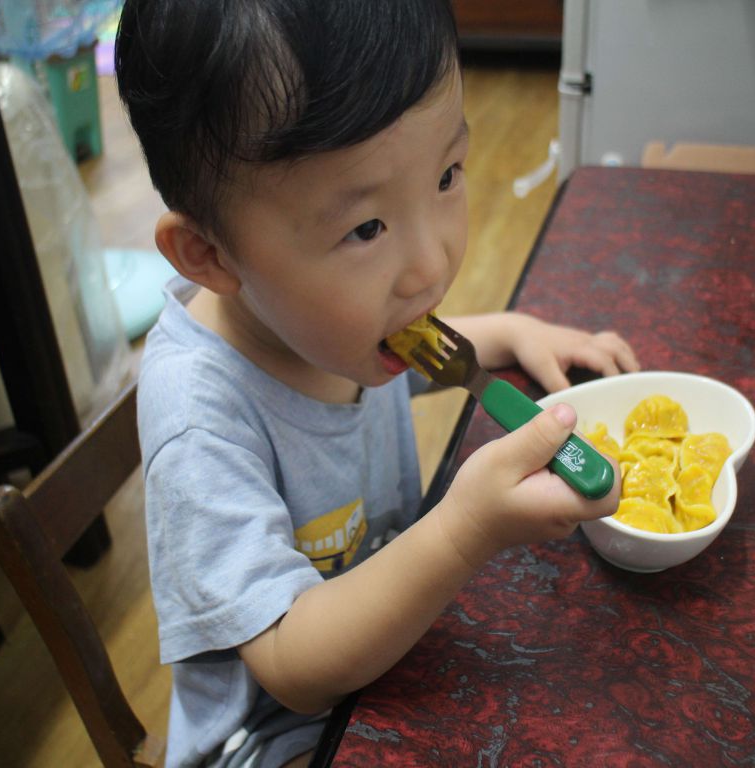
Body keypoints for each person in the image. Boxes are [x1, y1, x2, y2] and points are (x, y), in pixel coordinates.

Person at [116, 1, 639, 765]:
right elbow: (296, 670)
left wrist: (511, 332)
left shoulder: (336, 321)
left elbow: (437, 359)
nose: (431, 264)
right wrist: (465, 528)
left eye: (447, 175)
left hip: (393, 659)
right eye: (365, 228)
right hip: (284, 736)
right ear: (208, 254)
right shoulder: (201, 418)